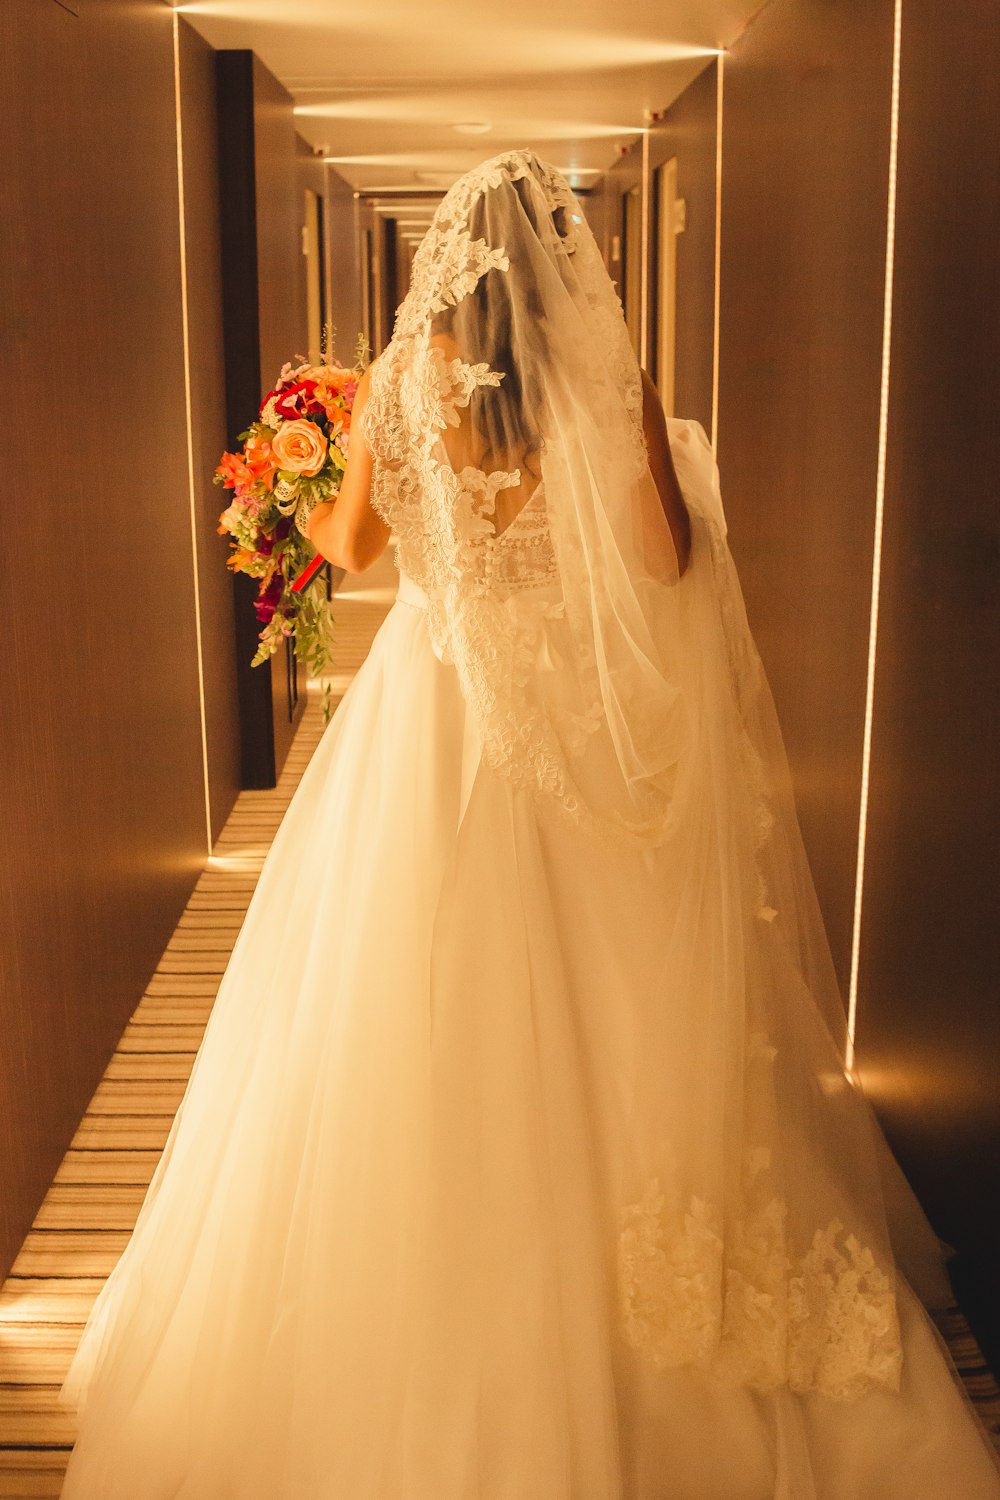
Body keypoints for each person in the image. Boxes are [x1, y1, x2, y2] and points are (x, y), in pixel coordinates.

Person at [57, 149, 1000, 1498]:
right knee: (609, 1009)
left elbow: (352, 550)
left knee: (407, 1004)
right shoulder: (611, 400)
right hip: (578, 740)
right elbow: (672, 566)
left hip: (432, 731)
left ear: (446, 270)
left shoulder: (405, 385)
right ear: (570, 271)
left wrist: (296, 475)